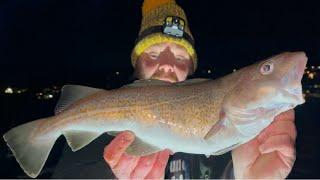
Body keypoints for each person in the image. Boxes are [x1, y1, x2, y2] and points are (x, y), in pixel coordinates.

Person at [52, 0, 297, 179]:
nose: (168, 64)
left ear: (191, 70)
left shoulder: (233, 141)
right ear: (136, 62)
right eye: (154, 53)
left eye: (180, 57)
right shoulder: (96, 122)